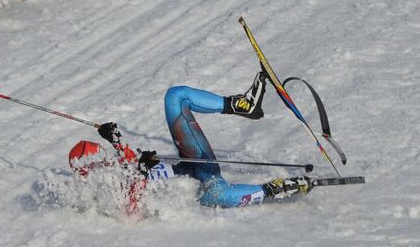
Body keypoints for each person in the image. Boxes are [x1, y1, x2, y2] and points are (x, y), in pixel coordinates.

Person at [68, 72, 312, 209]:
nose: (103, 162)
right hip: (202, 185)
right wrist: (136, 165)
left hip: (191, 161)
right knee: (219, 196)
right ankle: (273, 189)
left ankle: (240, 105)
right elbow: (131, 212)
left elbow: (131, 166)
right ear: (84, 171)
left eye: (100, 154)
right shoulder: (97, 197)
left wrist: (126, 148)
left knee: (175, 96)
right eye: (95, 162)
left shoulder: (117, 166)